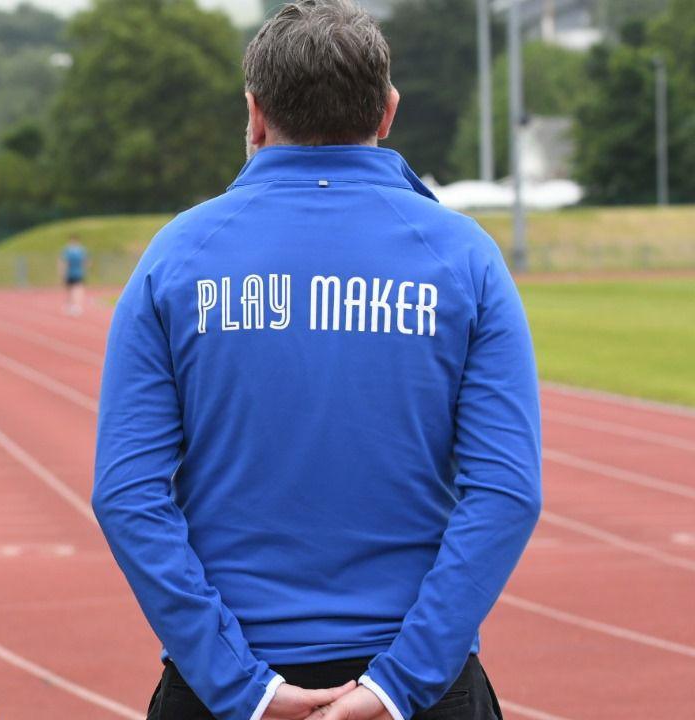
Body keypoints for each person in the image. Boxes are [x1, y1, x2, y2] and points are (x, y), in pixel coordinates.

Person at [92, 3, 541, 720]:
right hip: (420, 685)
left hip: (224, 685)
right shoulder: (464, 257)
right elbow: (507, 491)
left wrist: (243, 687)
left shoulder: (177, 256)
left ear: (256, 113)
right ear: (387, 112)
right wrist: (400, 683)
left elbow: (127, 495)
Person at [60, 234, 89, 315]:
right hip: (71, 273)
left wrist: (62, 272)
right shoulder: (70, 250)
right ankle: (71, 304)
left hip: (76, 273)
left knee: (77, 289)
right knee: (70, 289)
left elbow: (85, 261)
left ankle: (76, 305)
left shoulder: (77, 250)